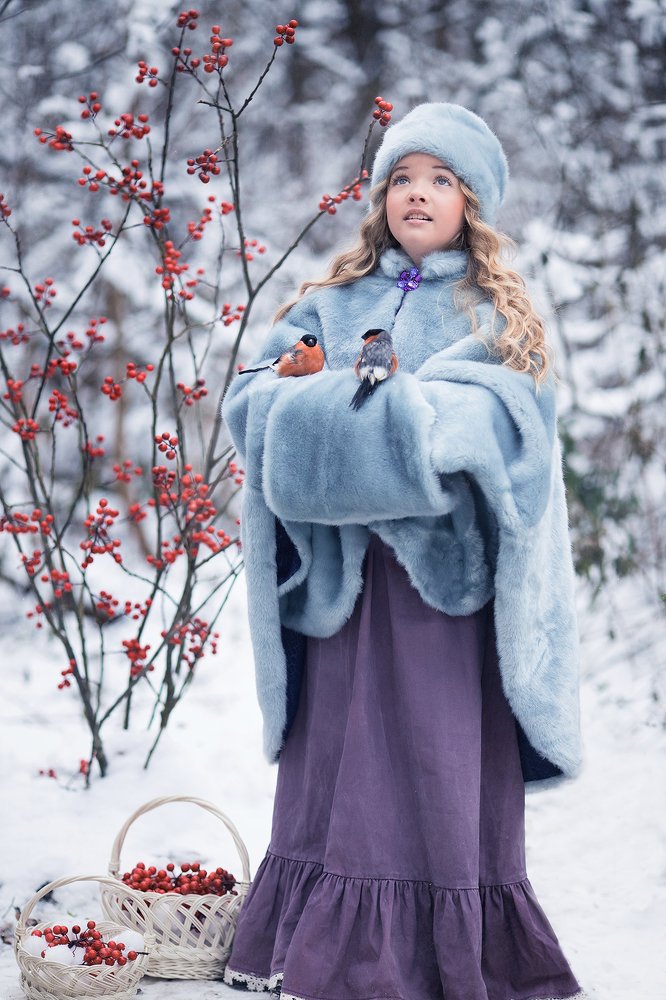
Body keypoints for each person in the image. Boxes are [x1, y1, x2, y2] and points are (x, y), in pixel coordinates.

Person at [221, 103, 585, 1000]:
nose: (417, 194)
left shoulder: (496, 314)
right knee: (339, 760)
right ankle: (324, 945)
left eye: (441, 180)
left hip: (442, 592)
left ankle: (446, 951)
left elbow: (505, 430)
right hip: (344, 588)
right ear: (381, 197)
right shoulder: (327, 304)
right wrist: (368, 420)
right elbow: (253, 407)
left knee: (435, 762)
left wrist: (370, 426)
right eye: (402, 178)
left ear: (473, 202)